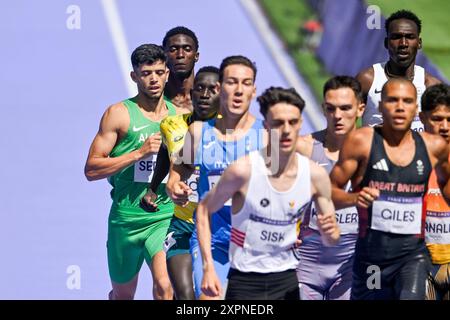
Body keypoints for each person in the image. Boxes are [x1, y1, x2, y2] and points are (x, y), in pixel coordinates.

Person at [197, 87, 340, 300]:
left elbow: (331, 238)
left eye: (292, 122)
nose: (286, 130)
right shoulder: (242, 170)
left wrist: (329, 232)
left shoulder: (315, 175)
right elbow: (203, 210)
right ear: (266, 126)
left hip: (286, 278)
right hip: (245, 280)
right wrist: (208, 266)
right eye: (278, 123)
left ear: (300, 124)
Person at [330, 78, 450, 300]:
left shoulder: (433, 147)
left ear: (416, 109)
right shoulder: (361, 142)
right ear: (381, 104)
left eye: (407, 101)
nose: (400, 107)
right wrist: (354, 198)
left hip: (412, 258)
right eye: (393, 100)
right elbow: (328, 192)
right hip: (372, 261)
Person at [166, 55, 265, 299]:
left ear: (254, 90)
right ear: (220, 87)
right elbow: (179, 169)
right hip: (212, 242)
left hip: (256, 246)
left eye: (246, 83)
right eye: (232, 82)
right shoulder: (199, 132)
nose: (239, 90)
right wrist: (173, 185)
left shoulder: (267, 136)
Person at [84, 44, 175, 300]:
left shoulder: (180, 117)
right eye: (146, 73)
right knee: (124, 295)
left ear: (167, 73)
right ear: (134, 76)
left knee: (165, 287)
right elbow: (91, 169)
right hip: (125, 219)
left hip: (163, 217)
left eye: (159, 72)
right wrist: (139, 153)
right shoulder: (119, 115)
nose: (154, 79)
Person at [148, 66, 220, 300]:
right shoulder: (171, 125)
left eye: (212, 89)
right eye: (199, 88)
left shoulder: (232, 132)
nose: (205, 94)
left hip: (217, 226)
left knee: (207, 294)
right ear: (191, 93)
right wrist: (153, 187)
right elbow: (163, 154)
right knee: (184, 294)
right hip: (181, 224)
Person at [296, 76, 365, 300]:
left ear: (360, 109)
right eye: (331, 108)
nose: (337, 116)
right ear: (323, 109)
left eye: (345, 108)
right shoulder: (303, 148)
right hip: (305, 264)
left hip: (351, 266)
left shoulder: (375, 151)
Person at [356, 9, 440, 130]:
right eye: (396, 37)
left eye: (410, 37)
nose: (403, 43)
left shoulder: (431, 86)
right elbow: (346, 127)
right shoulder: (367, 80)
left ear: (419, 43)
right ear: (386, 43)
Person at [419, 83, 450, 300]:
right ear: (422, 118)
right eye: (437, 119)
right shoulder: (406, 157)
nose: (445, 126)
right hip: (419, 262)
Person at [162, 26, 200, 112]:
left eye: (187, 49)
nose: (180, 55)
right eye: (173, 49)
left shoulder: (211, 99)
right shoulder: (154, 99)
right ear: (164, 55)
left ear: (196, 56)